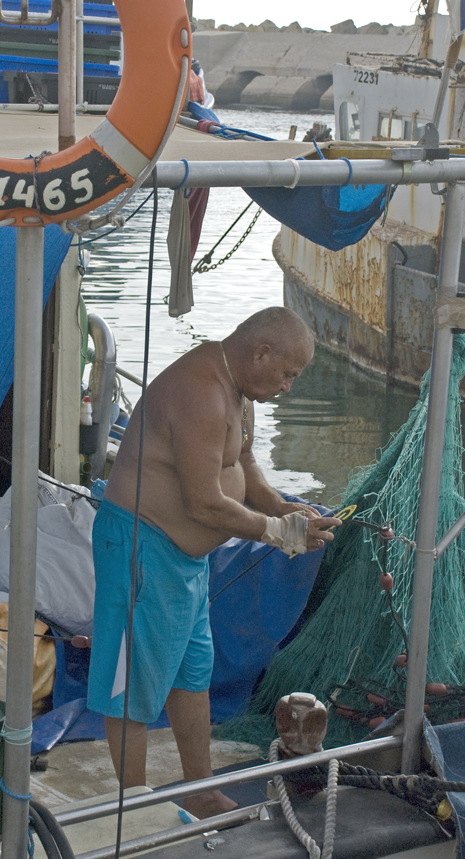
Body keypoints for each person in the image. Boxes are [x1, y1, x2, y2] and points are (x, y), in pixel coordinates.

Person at [86, 307, 340, 818]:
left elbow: (243, 463)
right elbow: (203, 502)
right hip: (143, 548)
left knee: (191, 673)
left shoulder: (239, 389)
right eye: (287, 373)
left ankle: (200, 789)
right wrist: (277, 532)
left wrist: (284, 508)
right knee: (131, 685)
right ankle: (129, 809)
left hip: (187, 562)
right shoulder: (200, 388)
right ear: (260, 353)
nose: (289, 386)